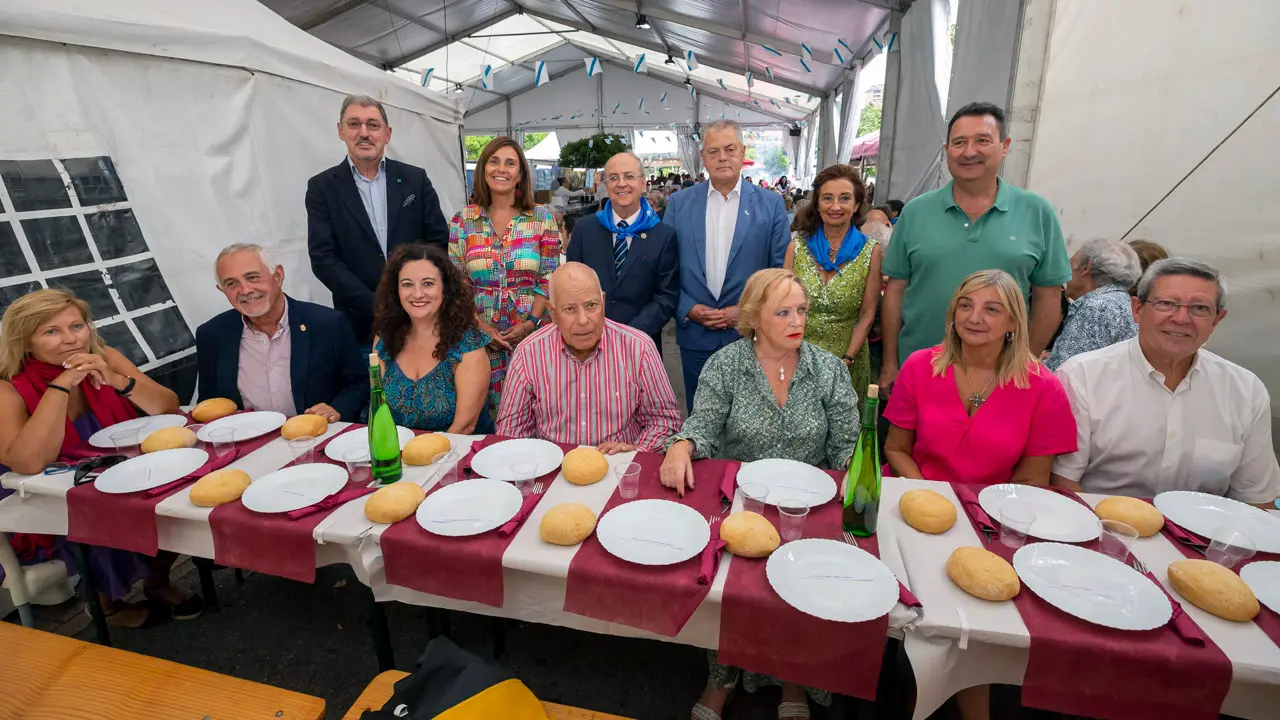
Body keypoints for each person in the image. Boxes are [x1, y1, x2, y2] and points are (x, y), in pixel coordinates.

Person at [660, 268, 860, 720]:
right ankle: (722, 674)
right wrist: (682, 446)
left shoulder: (826, 368)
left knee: (802, 586)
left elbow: (849, 443)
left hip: (807, 508)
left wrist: (851, 469)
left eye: (802, 311)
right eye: (783, 312)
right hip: (743, 504)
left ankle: (793, 677)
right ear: (753, 317)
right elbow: (703, 429)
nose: (797, 321)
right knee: (729, 589)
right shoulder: (726, 365)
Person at [0, 289, 201, 628]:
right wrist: (62, 385)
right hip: (42, 495)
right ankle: (106, 605)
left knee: (178, 495)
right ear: (26, 341)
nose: (70, 340)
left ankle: (156, 581)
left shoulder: (104, 355)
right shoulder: (8, 387)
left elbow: (168, 407)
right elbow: (29, 462)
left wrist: (118, 380)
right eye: (51, 331)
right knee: (103, 513)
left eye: (76, 326)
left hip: (115, 470)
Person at [1051, 259, 1280, 505]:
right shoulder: (1082, 376)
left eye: (1200, 308)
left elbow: (1257, 499)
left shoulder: (1245, 391)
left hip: (1201, 538)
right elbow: (1062, 482)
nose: (1181, 318)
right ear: (1137, 309)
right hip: (1100, 528)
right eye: (1166, 304)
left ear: (1217, 319)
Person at [880, 102, 1070, 395]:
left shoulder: (1036, 212)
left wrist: (1024, 360)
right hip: (920, 372)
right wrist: (890, 362)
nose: (969, 152)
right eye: (959, 143)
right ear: (947, 150)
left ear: (1005, 146)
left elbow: (1048, 297)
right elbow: (895, 290)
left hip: (1002, 378)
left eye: (982, 140)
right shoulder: (917, 212)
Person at [883, 269, 1077, 486]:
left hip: (995, 506)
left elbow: (1032, 479)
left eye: (991, 310)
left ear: (1013, 322)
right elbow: (896, 449)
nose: (974, 318)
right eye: (965, 306)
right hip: (917, 494)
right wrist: (926, 495)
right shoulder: (919, 366)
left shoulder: (1044, 388)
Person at [663, 120, 790, 411]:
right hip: (695, 336)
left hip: (750, 335)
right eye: (714, 151)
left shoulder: (771, 205)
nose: (722, 157)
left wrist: (746, 312)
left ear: (742, 152)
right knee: (702, 417)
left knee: (753, 418)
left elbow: (780, 274)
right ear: (703, 156)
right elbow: (666, 270)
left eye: (730, 149)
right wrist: (687, 308)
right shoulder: (679, 204)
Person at [306, 95, 449, 344]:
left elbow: (438, 242)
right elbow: (323, 258)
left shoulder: (415, 180)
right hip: (360, 323)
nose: (364, 133)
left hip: (422, 316)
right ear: (340, 131)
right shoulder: (322, 188)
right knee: (372, 384)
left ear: (387, 133)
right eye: (354, 124)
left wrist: (416, 295)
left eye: (372, 125)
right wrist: (376, 306)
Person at [496, 263, 681, 453]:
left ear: (603, 301)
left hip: (620, 466)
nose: (583, 320)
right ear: (552, 312)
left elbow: (664, 422)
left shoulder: (639, 347)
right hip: (554, 468)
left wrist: (636, 451)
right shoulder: (528, 353)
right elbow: (511, 432)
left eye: (591, 305)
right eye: (569, 309)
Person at [449, 136, 560, 415]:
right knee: (484, 413)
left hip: (532, 335)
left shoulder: (541, 219)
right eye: (494, 161)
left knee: (537, 409)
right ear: (483, 169)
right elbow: (457, 284)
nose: (501, 169)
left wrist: (530, 323)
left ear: (520, 173)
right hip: (479, 338)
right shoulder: (462, 221)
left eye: (510, 163)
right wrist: (482, 328)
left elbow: (548, 276)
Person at [197, 243, 368, 422]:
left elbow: (359, 383)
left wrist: (335, 409)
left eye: (253, 277)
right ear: (222, 290)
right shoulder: (211, 336)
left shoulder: (327, 324)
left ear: (278, 276)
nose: (245, 290)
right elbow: (209, 404)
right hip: (250, 445)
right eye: (232, 283)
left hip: (317, 438)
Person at [784, 164, 882, 399]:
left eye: (845, 198)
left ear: (857, 204)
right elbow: (782, 307)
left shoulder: (871, 251)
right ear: (817, 205)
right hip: (798, 357)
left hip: (848, 359)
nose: (835, 206)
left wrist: (847, 359)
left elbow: (867, 315)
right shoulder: (796, 247)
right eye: (827, 198)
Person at [372, 244, 493, 434]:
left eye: (428, 283)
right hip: (398, 451)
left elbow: (464, 426)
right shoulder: (384, 338)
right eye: (407, 284)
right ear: (396, 290)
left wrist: (421, 460)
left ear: (445, 289)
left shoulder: (469, 344)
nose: (418, 294)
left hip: (455, 452)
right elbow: (378, 408)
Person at [566, 152, 678, 351]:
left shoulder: (663, 235)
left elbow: (666, 296)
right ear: (606, 185)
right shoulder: (584, 229)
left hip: (640, 345)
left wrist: (631, 333)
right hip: (589, 343)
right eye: (614, 178)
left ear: (643, 184)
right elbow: (571, 286)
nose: (621, 183)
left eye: (629, 176)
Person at [1043, 239, 1140, 371]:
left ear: (1085, 268)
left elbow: (1062, 370)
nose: (1064, 270)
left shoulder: (1097, 308)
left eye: (1070, 263)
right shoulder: (1122, 301)